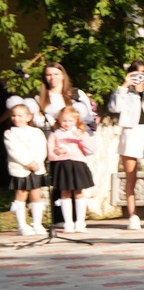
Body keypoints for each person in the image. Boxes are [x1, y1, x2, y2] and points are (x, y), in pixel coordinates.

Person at [109, 64, 144, 228]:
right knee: (131, 177)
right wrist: (124, 85)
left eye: (143, 73)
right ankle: (133, 216)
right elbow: (114, 108)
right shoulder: (125, 92)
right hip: (131, 132)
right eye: (136, 73)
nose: (140, 76)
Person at [44, 103, 94, 233]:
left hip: (77, 164)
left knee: (79, 191)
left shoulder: (80, 133)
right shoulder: (55, 134)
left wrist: (80, 138)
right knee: (65, 192)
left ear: (76, 120)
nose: (67, 124)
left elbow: (91, 149)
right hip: (62, 165)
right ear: (59, 120)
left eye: (71, 121)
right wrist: (58, 152)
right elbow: (50, 153)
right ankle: (68, 222)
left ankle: (80, 222)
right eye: (64, 121)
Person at [7, 101, 45, 236]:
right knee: (21, 195)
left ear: (29, 117)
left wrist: (37, 162)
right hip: (20, 169)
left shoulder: (37, 132)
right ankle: (22, 225)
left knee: (36, 195)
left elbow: (42, 148)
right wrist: (28, 163)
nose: (16, 118)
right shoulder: (10, 133)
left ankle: (37, 223)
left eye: (20, 115)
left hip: (36, 168)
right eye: (14, 115)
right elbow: (14, 150)